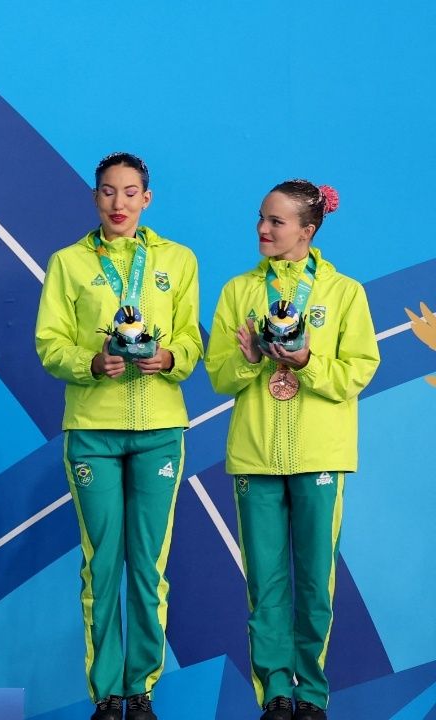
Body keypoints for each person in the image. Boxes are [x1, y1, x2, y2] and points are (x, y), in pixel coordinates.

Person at [34, 152, 202, 720]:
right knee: (101, 562)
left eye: (131, 193)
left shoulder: (177, 260)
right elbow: (49, 341)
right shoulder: (68, 262)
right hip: (92, 431)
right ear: (94, 196)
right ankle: (107, 693)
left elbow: (191, 341)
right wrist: (90, 363)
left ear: (147, 199)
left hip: (160, 430)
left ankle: (142, 687)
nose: (119, 203)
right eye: (108, 192)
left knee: (148, 564)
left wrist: (172, 356)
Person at [205, 180, 378, 720]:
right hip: (255, 455)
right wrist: (253, 358)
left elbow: (360, 370)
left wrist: (306, 364)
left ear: (308, 230)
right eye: (261, 217)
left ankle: (312, 692)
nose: (263, 228)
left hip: (320, 456)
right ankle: (276, 690)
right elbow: (218, 375)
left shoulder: (344, 292)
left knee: (314, 580)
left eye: (277, 222)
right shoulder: (239, 291)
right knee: (266, 580)